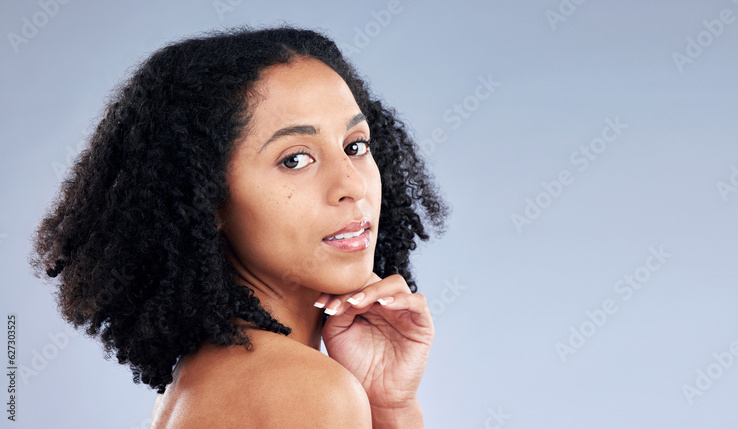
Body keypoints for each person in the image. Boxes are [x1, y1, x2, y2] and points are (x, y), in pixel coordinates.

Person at [30, 26, 448, 428]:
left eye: (355, 146)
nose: (352, 185)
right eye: (295, 159)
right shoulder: (301, 389)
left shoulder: (216, 375)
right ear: (206, 198)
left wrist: (389, 407)